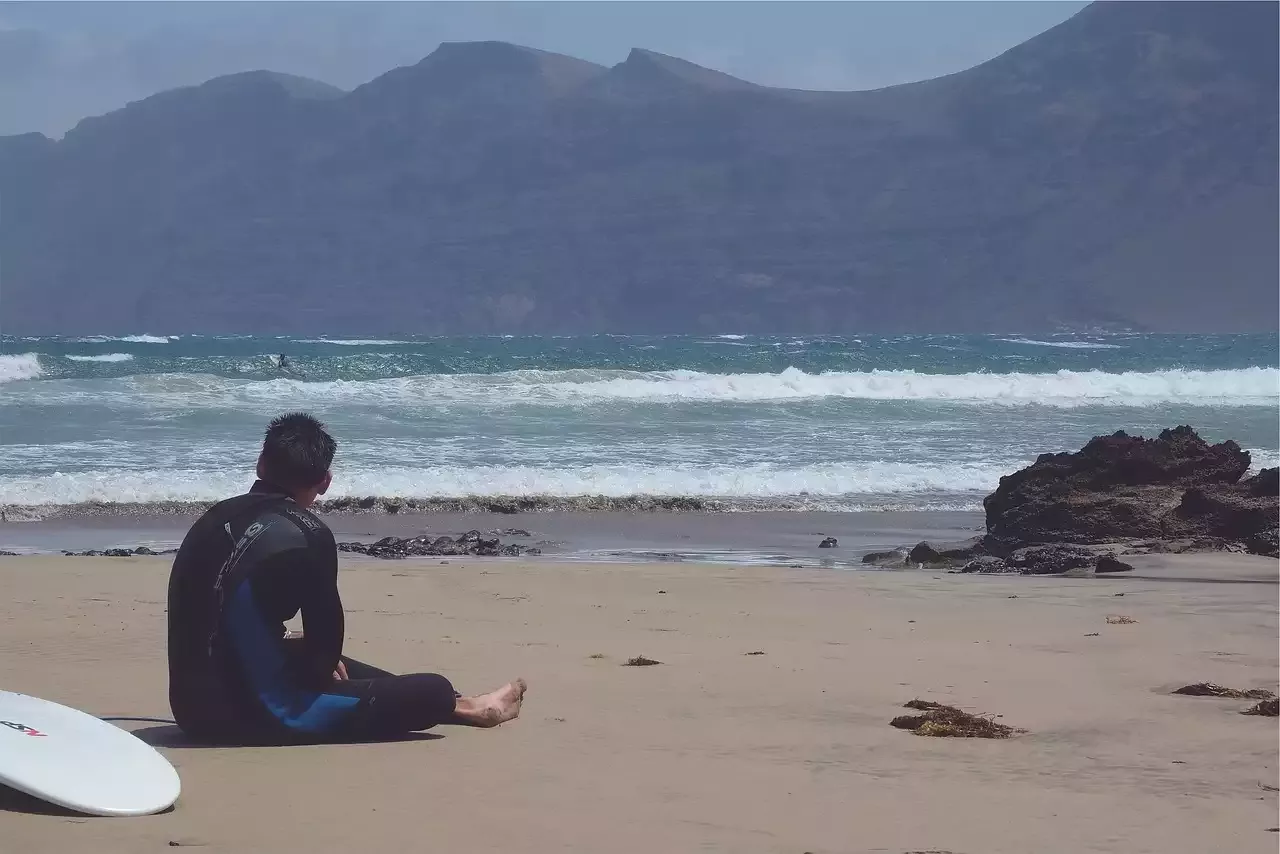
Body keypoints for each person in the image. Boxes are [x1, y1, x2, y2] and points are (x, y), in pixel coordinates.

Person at [165, 411, 526, 744]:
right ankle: (462, 706)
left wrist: (289, 645)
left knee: (334, 663)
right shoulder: (307, 534)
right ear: (324, 482)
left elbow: (208, 614)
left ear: (261, 463)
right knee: (433, 689)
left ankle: (470, 705)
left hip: (189, 709)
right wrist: (307, 655)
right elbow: (323, 660)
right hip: (253, 716)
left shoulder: (212, 519)